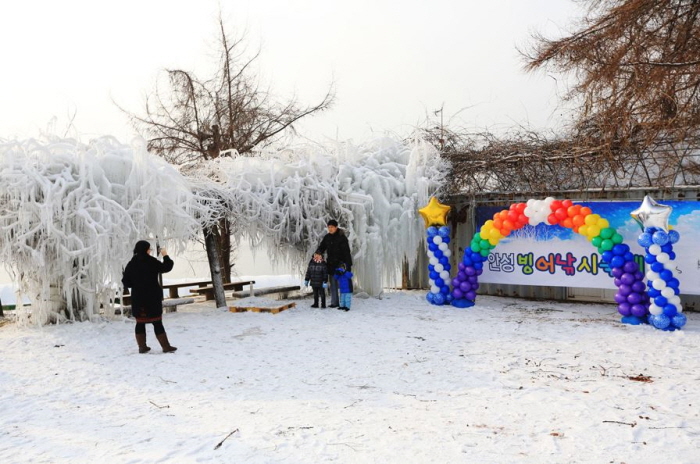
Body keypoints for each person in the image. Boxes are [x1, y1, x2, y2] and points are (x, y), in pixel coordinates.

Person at [122, 240, 177, 354]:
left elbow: (126, 281)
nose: (150, 251)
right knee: (157, 322)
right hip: (152, 297)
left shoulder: (131, 263)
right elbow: (166, 267)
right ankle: (166, 346)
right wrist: (165, 255)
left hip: (138, 297)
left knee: (140, 322)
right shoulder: (151, 261)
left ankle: (142, 347)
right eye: (149, 249)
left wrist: (136, 285)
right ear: (146, 249)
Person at [316, 219, 352, 308]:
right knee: (333, 284)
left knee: (343, 285)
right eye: (329, 227)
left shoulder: (342, 237)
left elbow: (347, 252)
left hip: (341, 265)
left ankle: (344, 303)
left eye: (332, 227)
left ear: (336, 227)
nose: (330, 229)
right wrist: (318, 253)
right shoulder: (327, 237)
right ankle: (334, 302)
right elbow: (322, 247)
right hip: (331, 264)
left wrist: (348, 265)